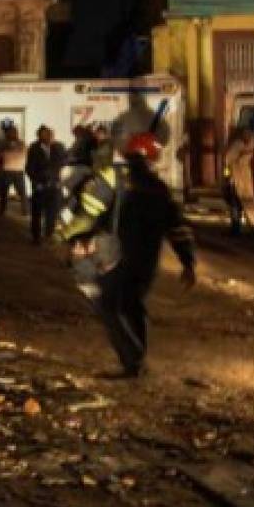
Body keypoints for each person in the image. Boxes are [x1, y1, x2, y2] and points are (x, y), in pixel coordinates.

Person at [55, 130, 196, 377]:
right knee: (131, 305)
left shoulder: (122, 183)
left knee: (108, 305)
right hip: (145, 259)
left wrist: (70, 236)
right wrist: (187, 261)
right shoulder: (158, 189)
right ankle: (136, 359)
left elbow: (94, 215)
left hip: (123, 258)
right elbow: (177, 228)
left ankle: (133, 361)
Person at [26, 125, 66, 244]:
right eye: (44, 134)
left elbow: (64, 162)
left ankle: (48, 234)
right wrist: (36, 182)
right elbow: (29, 168)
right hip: (40, 185)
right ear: (39, 136)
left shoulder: (59, 146)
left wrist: (61, 181)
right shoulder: (34, 148)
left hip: (55, 185)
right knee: (37, 213)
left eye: (49, 134)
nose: (48, 136)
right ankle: (36, 237)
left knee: (52, 212)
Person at [222, 128, 254, 236]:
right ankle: (236, 227)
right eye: (244, 134)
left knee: (250, 201)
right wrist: (227, 177)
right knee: (235, 203)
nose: (246, 137)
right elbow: (227, 161)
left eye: (248, 134)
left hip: (248, 177)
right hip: (235, 176)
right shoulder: (236, 145)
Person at [0, 125, 28, 216]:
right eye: (10, 132)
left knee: (22, 192)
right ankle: (2, 210)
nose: (12, 134)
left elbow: (24, 153)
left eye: (14, 132)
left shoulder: (21, 143)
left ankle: (25, 210)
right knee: (4, 192)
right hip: (6, 170)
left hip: (18, 170)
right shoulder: (2, 143)